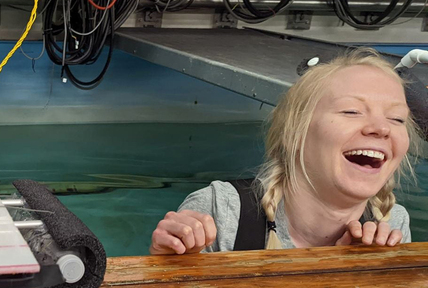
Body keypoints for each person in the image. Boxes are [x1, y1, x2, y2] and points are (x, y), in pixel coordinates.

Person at [150, 48, 423, 254]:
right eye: (351, 111)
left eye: (396, 118)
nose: (381, 128)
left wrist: (355, 275)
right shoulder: (221, 211)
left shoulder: (392, 223)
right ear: (296, 133)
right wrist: (165, 265)